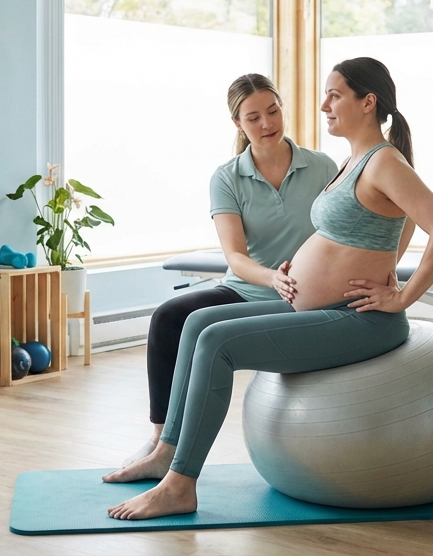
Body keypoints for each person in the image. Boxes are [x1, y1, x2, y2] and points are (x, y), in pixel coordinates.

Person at [103, 57, 433, 520]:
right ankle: (165, 452)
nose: (323, 105)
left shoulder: (383, 161)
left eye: (334, 95)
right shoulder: (357, 159)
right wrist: (328, 262)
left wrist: (399, 293)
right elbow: (376, 225)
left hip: (362, 321)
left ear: (367, 102)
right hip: (324, 306)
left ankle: (179, 486)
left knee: (217, 342)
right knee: (195, 322)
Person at [118, 73, 339, 467]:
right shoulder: (226, 177)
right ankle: (158, 439)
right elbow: (235, 257)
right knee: (169, 318)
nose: (267, 124)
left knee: (206, 329)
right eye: (253, 118)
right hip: (248, 288)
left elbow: (341, 231)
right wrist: (272, 276)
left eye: (273, 111)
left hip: (307, 295)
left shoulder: (322, 167)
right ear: (238, 124)